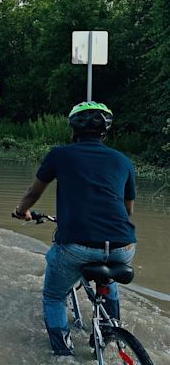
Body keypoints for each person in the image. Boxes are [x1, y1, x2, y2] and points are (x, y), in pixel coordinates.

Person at [12, 101, 137, 356]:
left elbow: (34, 191)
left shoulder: (60, 154)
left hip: (77, 246)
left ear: (72, 130)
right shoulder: (123, 161)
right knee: (108, 277)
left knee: (54, 296)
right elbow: (128, 210)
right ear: (105, 132)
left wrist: (21, 211)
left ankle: (63, 354)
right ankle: (108, 331)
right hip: (123, 247)